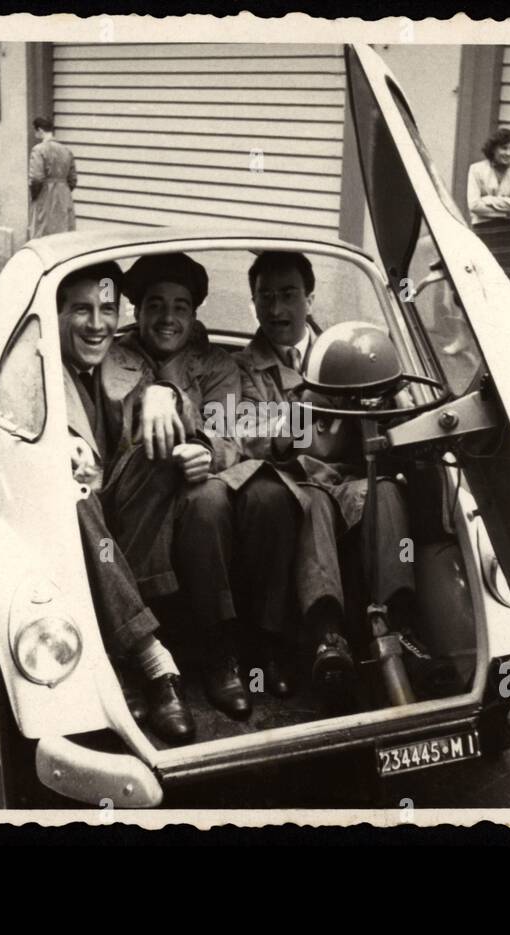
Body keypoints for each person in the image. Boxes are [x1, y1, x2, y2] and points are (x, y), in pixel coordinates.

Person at [217, 251, 417, 709]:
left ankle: (400, 624)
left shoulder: (347, 350)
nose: (276, 309)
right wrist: (307, 403)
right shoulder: (243, 367)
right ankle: (327, 634)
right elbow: (250, 433)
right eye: (264, 297)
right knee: (311, 505)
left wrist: (386, 401)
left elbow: (394, 408)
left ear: (310, 297)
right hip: (297, 480)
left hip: (356, 476)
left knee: (386, 492)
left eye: (288, 295)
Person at [99, 252, 294, 720]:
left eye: (180, 307)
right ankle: (144, 654)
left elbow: (232, 431)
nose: (168, 318)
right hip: (131, 496)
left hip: (199, 494)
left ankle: (224, 649)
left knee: (232, 496)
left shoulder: (216, 364)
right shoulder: (115, 357)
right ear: (137, 311)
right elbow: (124, 422)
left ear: (194, 313)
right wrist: (161, 396)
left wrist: (207, 449)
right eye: (156, 305)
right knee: (169, 465)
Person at [56, 260, 195, 745]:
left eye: (107, 310)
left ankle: (120, 649)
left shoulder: (121, 358)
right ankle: (149, 656)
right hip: (63, 521)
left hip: (116, 521)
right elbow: (8, 424)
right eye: (81, 310)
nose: (97, 324)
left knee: (164, 455)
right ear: (55, 314)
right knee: (70, 490)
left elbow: (164, 393)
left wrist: (162, 395)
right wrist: (51, 444)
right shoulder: (35, 367)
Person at [466, 127, 510, 294]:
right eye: (504, 148)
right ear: (493, 149)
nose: (509, 153)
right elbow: (473, 205)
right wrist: (504, 209)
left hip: (508, 233)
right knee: (484, 279)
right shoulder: (476, 170)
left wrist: (487, 200)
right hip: (484, 231)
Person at [28, 116, 77, 238]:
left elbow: (37, 178)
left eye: (35, 132)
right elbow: (73, 179)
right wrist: (62, 189)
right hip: (64, 197)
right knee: (63, 234)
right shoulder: (67, 150)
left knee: (42, 234)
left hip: (45, 196)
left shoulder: (38, 150)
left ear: (40, 130)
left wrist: (34, 197)